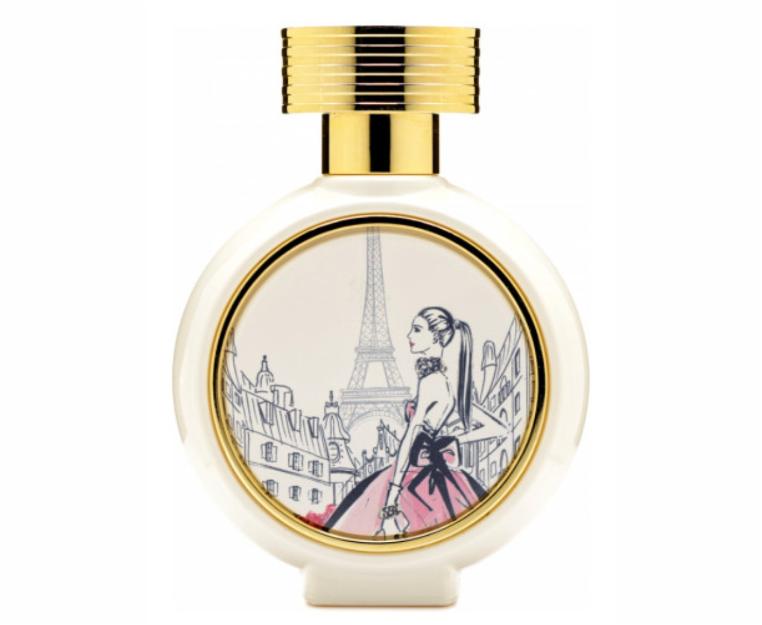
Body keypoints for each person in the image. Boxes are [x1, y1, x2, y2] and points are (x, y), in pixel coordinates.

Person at [325, 306, 485, 537]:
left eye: (417, 329)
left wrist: (392, 496)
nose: (409, 335)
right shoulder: (444, 382)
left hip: (411, 476)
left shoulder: (431, 382)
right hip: (432, 477)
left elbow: (410, 438)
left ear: (436, 336)